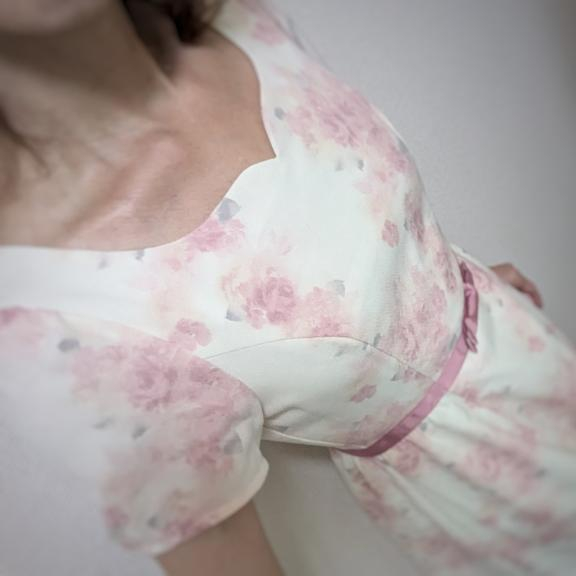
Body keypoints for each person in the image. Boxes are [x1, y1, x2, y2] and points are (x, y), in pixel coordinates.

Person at [0, 1, 574, 575]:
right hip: (485, 476)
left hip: (522, 346)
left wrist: (437, 292)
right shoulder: (49, 320)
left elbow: (341, 216)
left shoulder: (244, 25)